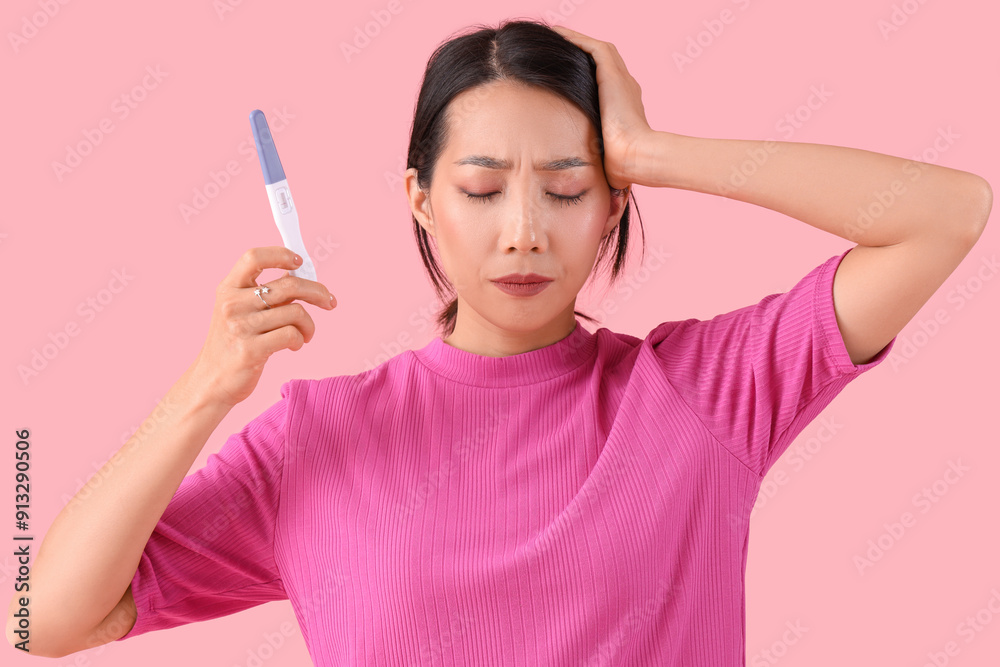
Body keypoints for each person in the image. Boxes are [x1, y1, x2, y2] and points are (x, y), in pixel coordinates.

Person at [7, 18, 992, 665]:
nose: (523, 228)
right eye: (480, 189)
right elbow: (38, 613)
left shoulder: (704, 392)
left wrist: (654, 152)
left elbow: (943, 214)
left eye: (566, 189)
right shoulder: (317, 437)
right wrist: (206, 387)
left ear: (610, 207)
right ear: (420, 200)